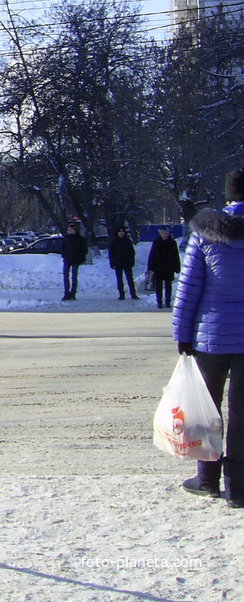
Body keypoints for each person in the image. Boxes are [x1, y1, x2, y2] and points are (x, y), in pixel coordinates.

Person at [173, 167, 244, 508]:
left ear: (228, 196)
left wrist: (183, 335)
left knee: (206, 410)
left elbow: (189, 288)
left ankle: (207, 479)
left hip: (210, 338)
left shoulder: (205, 232)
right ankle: (239, 487)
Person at [147, 226, 182, 309]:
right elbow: (152, 255)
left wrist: (177, 267)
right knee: (158, 285)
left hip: (169, 267)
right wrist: (150, 267)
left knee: (168, 285)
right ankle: (159, 301)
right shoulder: (156, 242)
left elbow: (176, 255)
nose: (165, 235)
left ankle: (168, 301)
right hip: (158, 268)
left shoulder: (172, 242)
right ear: (160, 234)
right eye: (163, 233)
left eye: (166, 233)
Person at [60, 221, 89, 301]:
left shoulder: (81, 239)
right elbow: (62, 248)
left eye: (71, 229)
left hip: (76, 260)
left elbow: (85, 250)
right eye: (69, 229)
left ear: (75, 230)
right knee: (66, 277)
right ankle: (66, 293)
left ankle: (73, 293)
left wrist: (79, 256)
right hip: (67, 260)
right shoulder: (67, 238)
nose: (69, 231)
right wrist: (64, 255)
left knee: (74, 277)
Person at [108, 226, 138, 301]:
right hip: (118, 263)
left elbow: (132, 252)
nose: (121, 233)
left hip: (127, 263)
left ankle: (133, 294)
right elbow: (111, 252)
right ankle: (121, 294)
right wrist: (112, 262)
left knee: (130, 279)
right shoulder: (114, 241)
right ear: (117, 233)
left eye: (122, 231)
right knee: (119, 279)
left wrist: (132, 261)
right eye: (120, 231)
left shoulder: (128, 241)